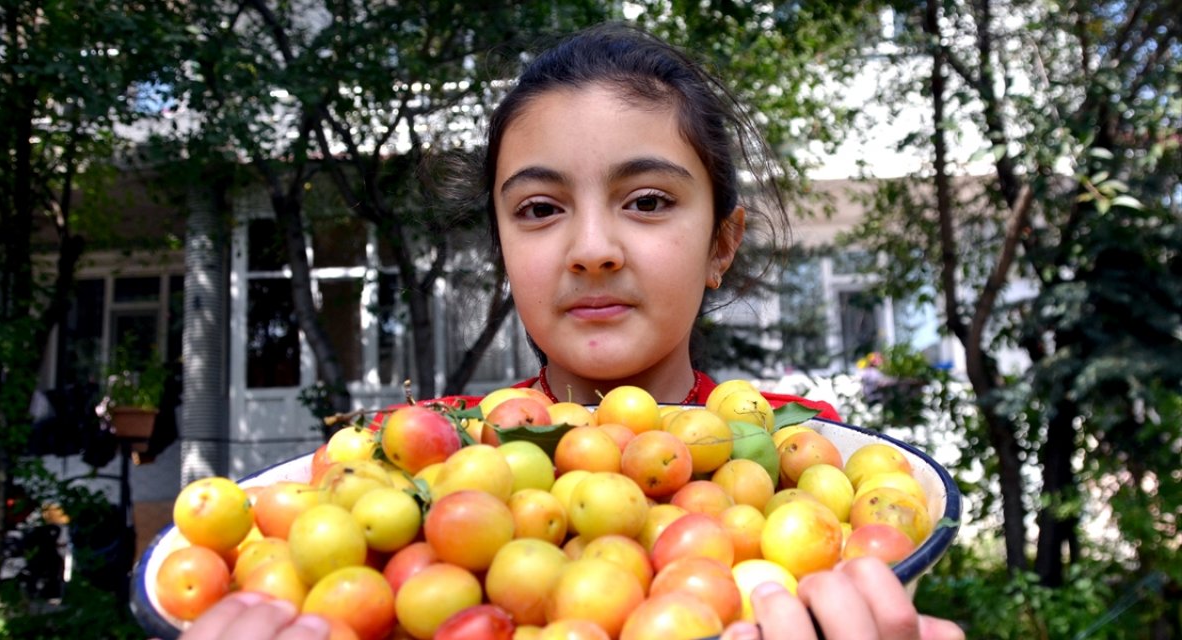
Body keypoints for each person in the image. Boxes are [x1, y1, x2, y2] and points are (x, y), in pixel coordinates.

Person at [179, 22, 963, 640]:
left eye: (648, 200)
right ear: (503, 252)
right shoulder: (402, 459)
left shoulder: (819, 459)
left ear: (722, 243)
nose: (591, 249)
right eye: (540, 210)